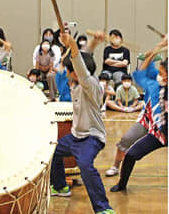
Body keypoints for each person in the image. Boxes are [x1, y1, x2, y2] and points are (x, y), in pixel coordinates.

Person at [50, 31, 115, 214]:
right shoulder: (77, 83)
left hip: (91, 137)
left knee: (85, 165)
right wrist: (93, 42)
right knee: (53, 150)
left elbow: (81, 66)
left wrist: (72, 44)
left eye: (70, 71)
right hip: (75, 136)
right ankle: (61, 187)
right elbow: (85, 58)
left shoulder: (92, 85)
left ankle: (103, 208)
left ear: (75, 73)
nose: (68, 73)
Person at [110, 40, 167, 193]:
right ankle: (121, 182)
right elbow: (141, 71)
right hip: (155, 129)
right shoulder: (154, 84)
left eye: (163, 74)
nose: (160, 76)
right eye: (160, 73)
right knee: (130, 152)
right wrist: (159, 47)